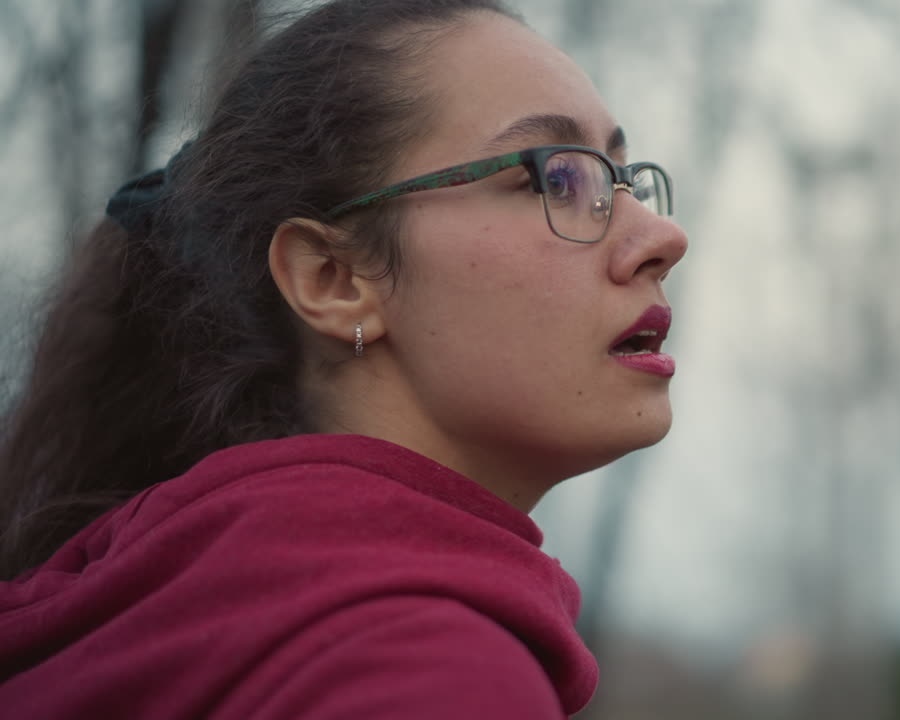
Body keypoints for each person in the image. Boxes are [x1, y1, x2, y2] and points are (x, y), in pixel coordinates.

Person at [0, 0, 688, 717]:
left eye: (623, 180)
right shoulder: (432, 677)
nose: (663, 234)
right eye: (557, 178)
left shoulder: (136, 616)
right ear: (333, 280)